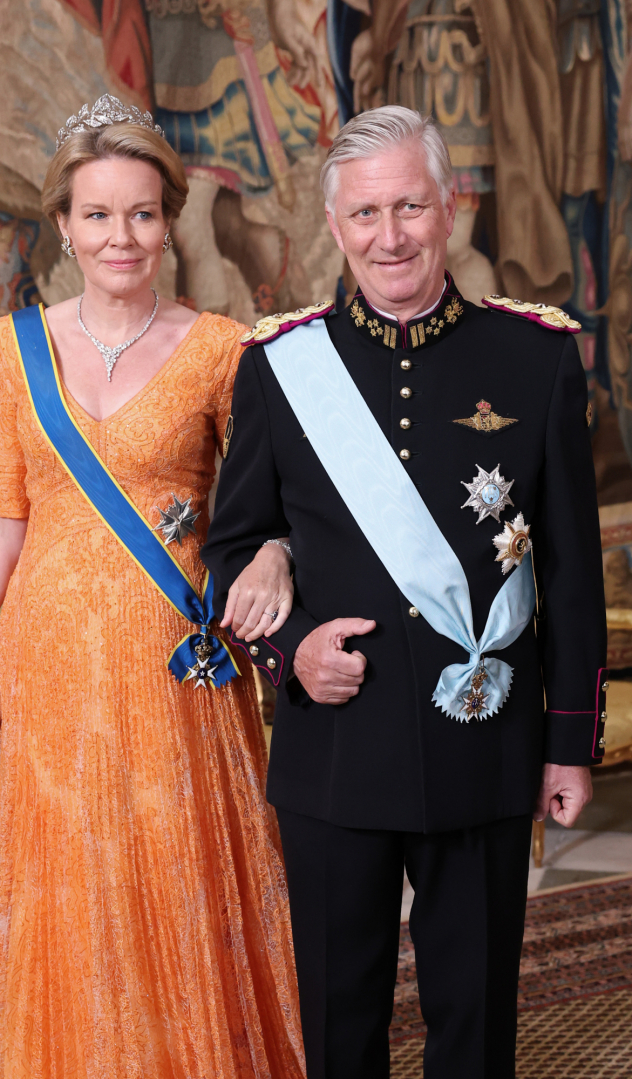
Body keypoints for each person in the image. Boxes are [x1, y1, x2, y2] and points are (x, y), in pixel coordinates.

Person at [202, 105, 608, 1079]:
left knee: (475, 1017)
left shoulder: (536, 355)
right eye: (368, 213)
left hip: (484, 738)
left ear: (450, 206)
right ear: (336, 227)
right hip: (334, 747)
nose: (391, 236)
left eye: (411, 206)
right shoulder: (279, 366)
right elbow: (232, 546)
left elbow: (571, 567)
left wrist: (568, 740)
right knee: (340, 1017)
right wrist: (290, 645)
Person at [0, 95, 304, 1079]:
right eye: (97, 214)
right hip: (50, 659)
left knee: (172, 880)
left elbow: (271, 501)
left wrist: (270, 558)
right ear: (63, 223)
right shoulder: (13, 348)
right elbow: (6, 515)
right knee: (74, 886)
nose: (121, 236)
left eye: (141, 212)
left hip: (175, 667)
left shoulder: (224, 347)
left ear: (168, 217)